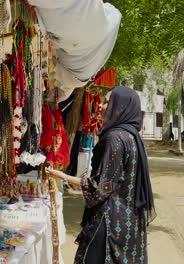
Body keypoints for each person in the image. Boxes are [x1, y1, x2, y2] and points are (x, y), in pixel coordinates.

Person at [47, 87, 155, 264]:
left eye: (106, 102)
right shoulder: (132, 137)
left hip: (109, 223)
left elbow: (101, 187)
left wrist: (62, 176)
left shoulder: (115, 138)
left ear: (120, 107)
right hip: (129, 223)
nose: (100, 106)